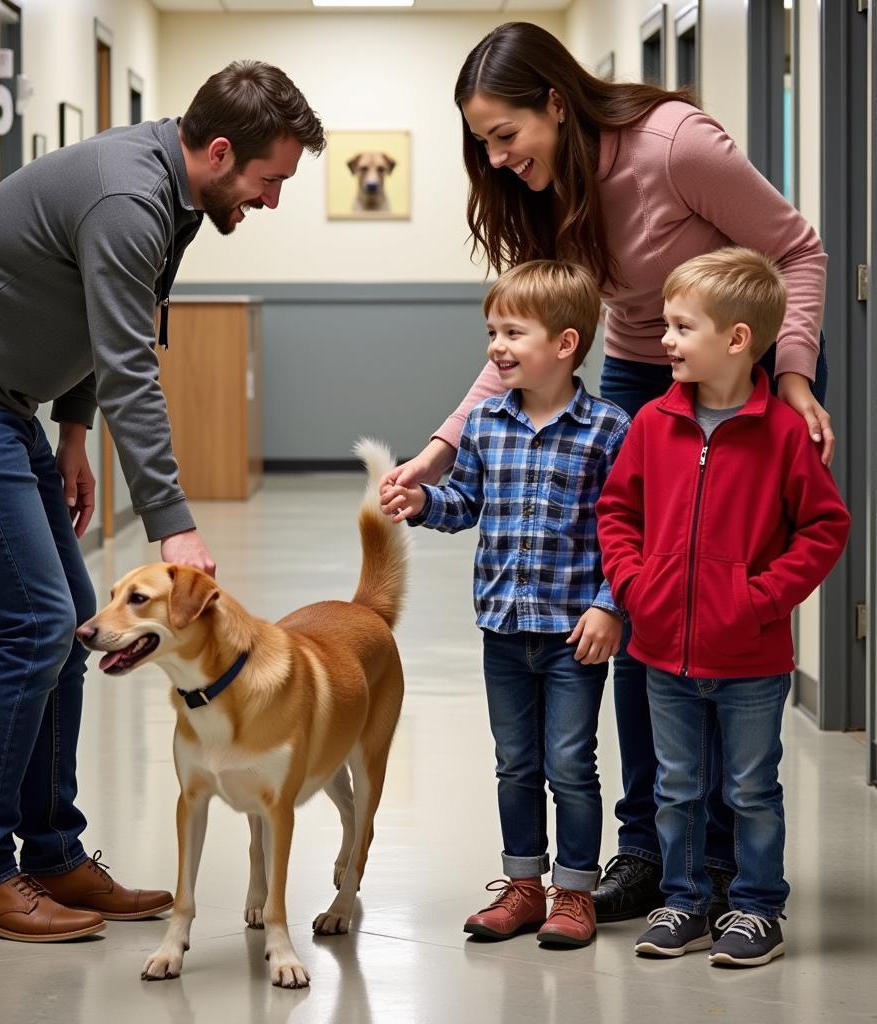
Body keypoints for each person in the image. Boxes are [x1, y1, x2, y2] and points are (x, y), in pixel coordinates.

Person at [381, 21, 832, 926]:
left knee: (702, 597)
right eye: (483, 145)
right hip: (631, 363)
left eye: (506, 135)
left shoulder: (675, 148)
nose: (498, 158)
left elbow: (797, 250)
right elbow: (511, 359)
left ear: (555, 100)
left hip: (740, 365)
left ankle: (714, 855)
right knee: (631, 609)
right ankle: (645, 851)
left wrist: (791, 380)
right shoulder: (552, 188)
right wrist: (440, 449)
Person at [0, 60, 324, 942]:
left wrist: (74, 435)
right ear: (222, 152)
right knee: (39, 623)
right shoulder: (128, 198)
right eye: (269, 181)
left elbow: (118, 322)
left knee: (74, 620)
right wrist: (174, 526)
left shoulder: (175, 197)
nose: (270, 201)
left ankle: (53, 854)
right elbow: (128, 365)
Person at [596, 247, 849, 966]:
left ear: (737, 340)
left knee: (750, 790)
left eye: (680, 327)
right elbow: (617, 511)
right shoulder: (651, 422)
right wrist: (634, 586)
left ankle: (756, 909)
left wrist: (760, 599)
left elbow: (826, 527)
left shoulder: (783, 434)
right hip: (661, 653)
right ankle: (684, 903)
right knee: (675, 787)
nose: (664, 340)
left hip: (750, 658)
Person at [382, 260, 629, 948]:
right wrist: (424, 501)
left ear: (566, 343)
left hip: (571, 633)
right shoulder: (486, 424)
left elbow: (627, 531)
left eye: (513, 331)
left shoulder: (609, 429)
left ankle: (575, 892)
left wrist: (611, 605)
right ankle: (523, 886)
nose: (496, 345)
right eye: (492, 330)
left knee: (570, 764)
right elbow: (466, 503)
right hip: (503, 628)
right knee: (515, 763)